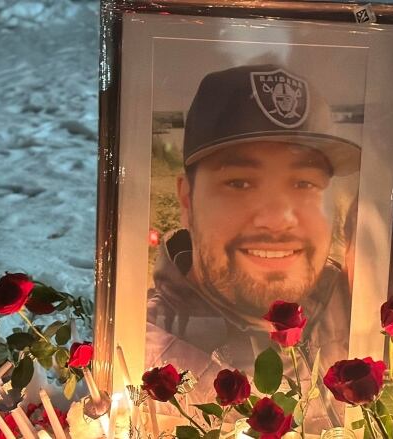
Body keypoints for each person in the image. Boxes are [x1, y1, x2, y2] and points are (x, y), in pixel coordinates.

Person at [145, 64, 361, 428]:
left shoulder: (366, 311)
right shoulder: (138, 347)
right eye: (240, 183)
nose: (277, 219)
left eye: (305, 183)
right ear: (187, 200)